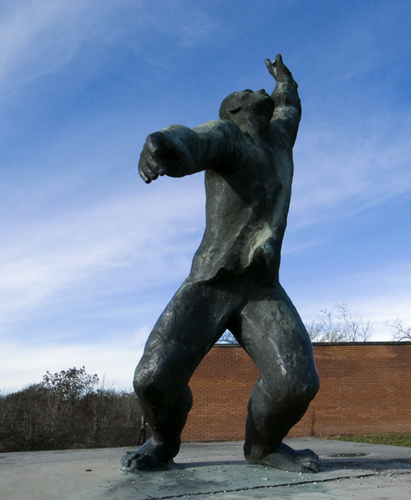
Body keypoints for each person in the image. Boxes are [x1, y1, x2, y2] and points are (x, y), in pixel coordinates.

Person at [121, 54, 320, 473]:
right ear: (235, 109)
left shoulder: (280, 140)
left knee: (296, 383)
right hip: (211, 282)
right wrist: (161, 144)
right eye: (248, 91)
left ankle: (263, 448)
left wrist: (285, 80)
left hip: (261, 288)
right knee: (153, 379)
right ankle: (162, 441)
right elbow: (192, 140)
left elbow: (289, 107)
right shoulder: (229, 135)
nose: (258, 90)